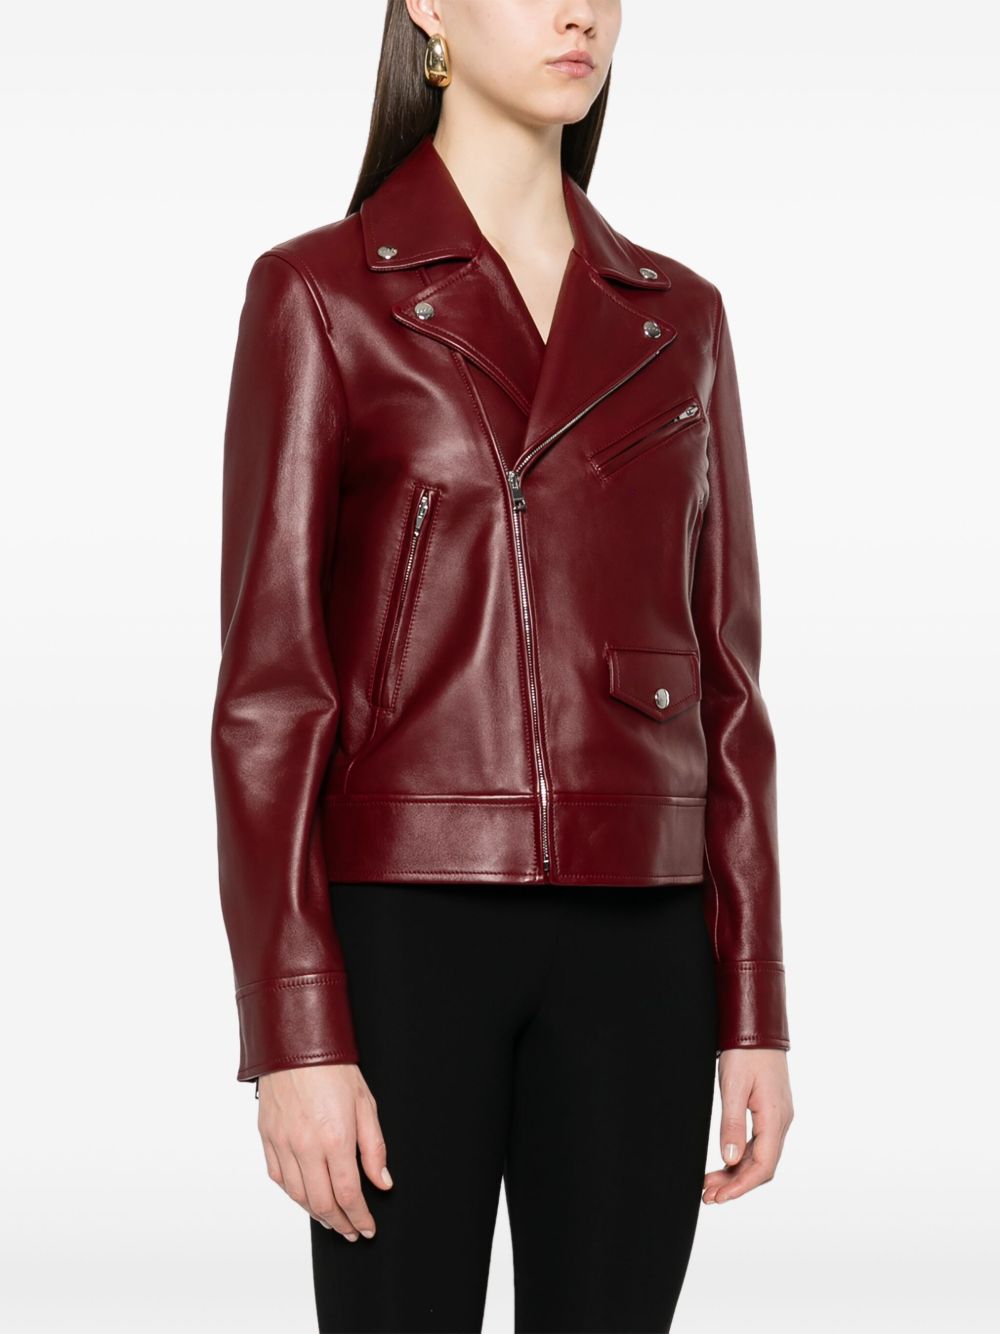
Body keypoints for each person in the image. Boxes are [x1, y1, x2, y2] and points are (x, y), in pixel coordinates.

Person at [210, 2, 795, 1330]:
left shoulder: (681, 318)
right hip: (405, 930)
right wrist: (295, 1030)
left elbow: (730, 691)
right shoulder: (320, 294)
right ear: (426, 6)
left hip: (644, 934)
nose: (578, 11)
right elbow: (270, 696)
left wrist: (754, 1001)